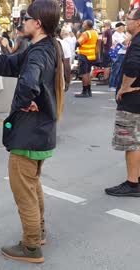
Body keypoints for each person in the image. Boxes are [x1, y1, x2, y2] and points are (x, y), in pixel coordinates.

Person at [0, 0, 64, 263]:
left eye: (26, 18)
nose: (22, 22)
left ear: (38, 23)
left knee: (24, 191)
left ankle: (31, 247)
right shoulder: (45, 47)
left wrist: (23, 104)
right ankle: (38, 233)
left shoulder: (40, 52)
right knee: (32, 187)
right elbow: (7, 64)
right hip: (40, 132)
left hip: (30, 133)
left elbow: (29, 81)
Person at [105, 8, 140, 197]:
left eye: (129, 19)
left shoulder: (137, 43)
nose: (126, 22)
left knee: (131, 142)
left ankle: (132, 183)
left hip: (132, 102)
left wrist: (125, 87)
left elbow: (133, 66)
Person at [75, 20, 98, 98]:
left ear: (87, 25)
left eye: (84, 23)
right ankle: (89, 90)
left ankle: (85, 91)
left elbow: (78, 43)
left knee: (84, 73)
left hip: (84, 55)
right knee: (88, 73)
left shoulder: (86, 33)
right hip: (91, 55)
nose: (83, 24)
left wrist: (78, 36)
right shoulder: (94, 33)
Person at [109, 22, 128, 92]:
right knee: (115, 70)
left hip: (123, 53)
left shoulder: (122, 34)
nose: (124, 28)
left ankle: (117, 85)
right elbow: (125, 42)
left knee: (120, 71)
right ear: (119, 27)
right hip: (118, 53)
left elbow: (128, 42)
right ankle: (112, 85)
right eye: (123, 27)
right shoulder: (116, 35)